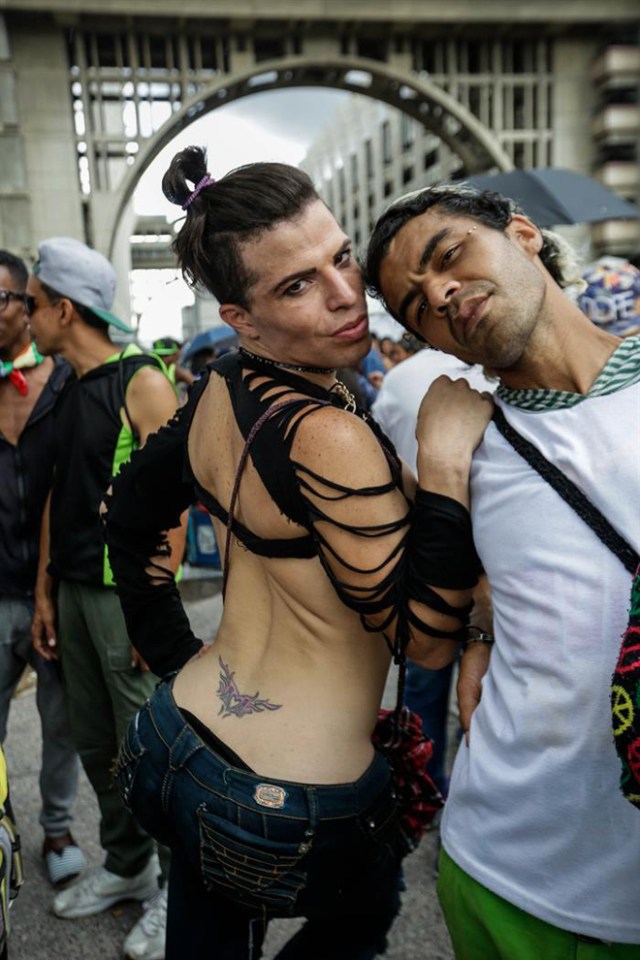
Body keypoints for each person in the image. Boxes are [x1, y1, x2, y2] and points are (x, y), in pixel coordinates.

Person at [102, 145, 493, 960]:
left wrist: (176, 653)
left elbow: (129, 513)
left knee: (209, 934)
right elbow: (420, 638)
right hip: (286, 801)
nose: (346, 294)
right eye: (297, 285)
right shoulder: (329, 433)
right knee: (366, 910)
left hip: (175, 737)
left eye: (341, 256)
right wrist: (447, 464)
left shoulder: (217, 389)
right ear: (242, 319)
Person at [365, 182, 640, 957]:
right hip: (504, 874)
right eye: (417, 308)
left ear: (523, 235)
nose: (441, 294)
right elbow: (425, 645)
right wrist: (445, 470)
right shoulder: (469, 445)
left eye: (448, 256)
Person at [27, 238, 184, 960]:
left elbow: (175, 504)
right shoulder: (64, 384)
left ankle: (179, 896)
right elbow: (60, 492)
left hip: (129, 598)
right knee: (98, 745)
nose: (24, 318)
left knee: (147, 751)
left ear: (64, 309)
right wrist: (46, 593)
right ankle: (128, 867)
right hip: (79, 590)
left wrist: (156, 613)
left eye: (30, 304)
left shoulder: (143, 380)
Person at [371, 346, 497, 798]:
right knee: (488, 694)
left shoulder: (401, 378)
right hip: (497, 556)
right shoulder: (498, 373)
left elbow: (380, 459)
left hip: (427, 555)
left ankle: (421, 787)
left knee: (426, 673)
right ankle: (477, 787)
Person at [0, 250, 84, 887]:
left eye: (4, 297)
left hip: (55, 589)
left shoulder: (66, 381)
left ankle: (57, 829)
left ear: (28, 306)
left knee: (61, 722)